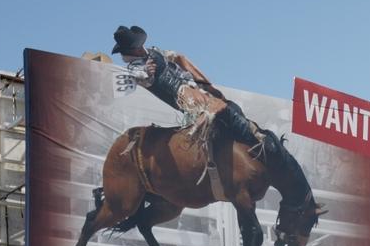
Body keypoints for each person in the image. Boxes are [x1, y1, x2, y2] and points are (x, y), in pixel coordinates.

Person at [111, 25, 286, 166]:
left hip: (194, 89)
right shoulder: (134, 69)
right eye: (136, 46)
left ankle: (251, 145)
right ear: (131, 50)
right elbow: (144, 78)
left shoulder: (153, 51)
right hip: (186, 101)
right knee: (224, 112)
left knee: (233, 107)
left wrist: (203, 83)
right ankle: (260, 144)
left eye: (139, 43)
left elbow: (176, 57)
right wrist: (148, 74)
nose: (141, 47)